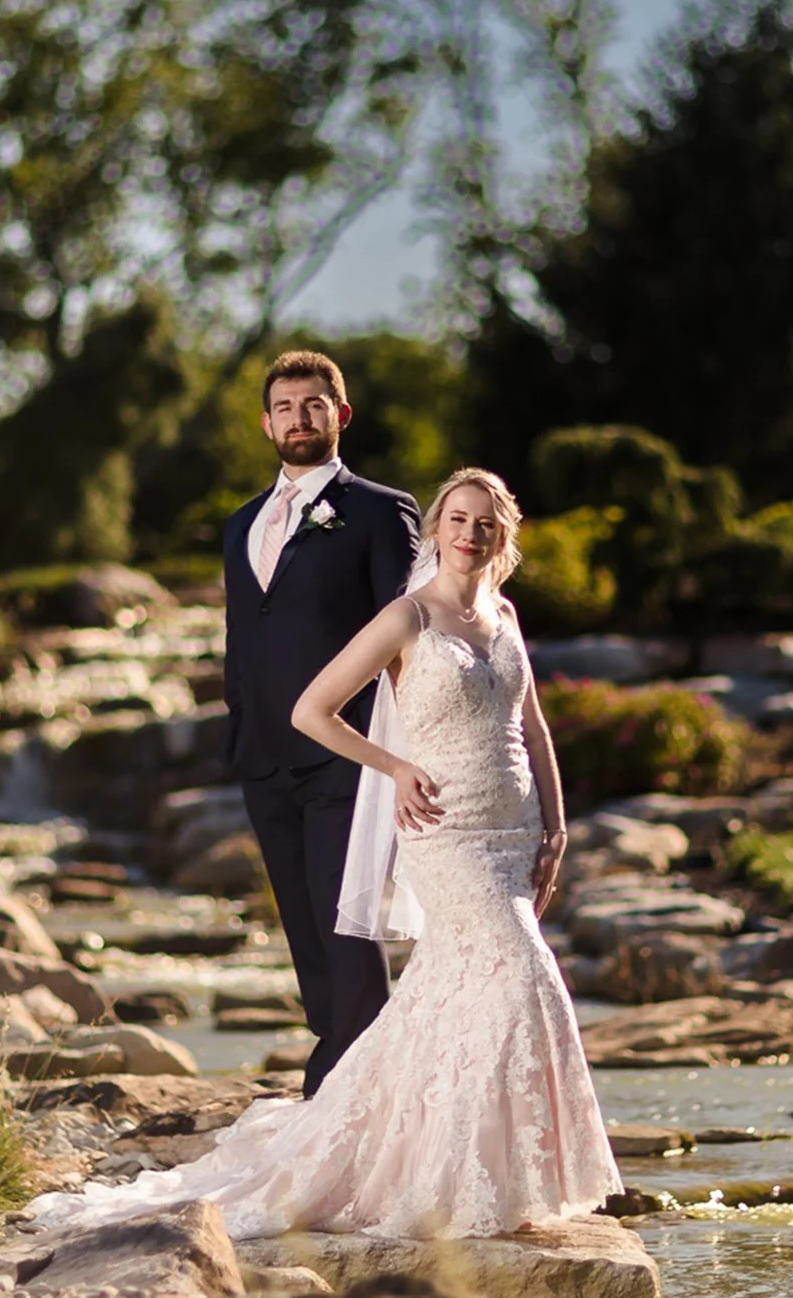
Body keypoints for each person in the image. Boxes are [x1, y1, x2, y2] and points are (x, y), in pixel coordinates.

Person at [31, 468, 621, 1241]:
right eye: (458, 519)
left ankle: (473, 1173)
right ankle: (444, 1174)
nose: (470, 533)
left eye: (486, 523)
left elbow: (532, 726)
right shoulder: (407, 618)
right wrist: (397, 768)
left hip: (515, 829)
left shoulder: (503, 614)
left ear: (502, 536)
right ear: (438, 528)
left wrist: (558, 823)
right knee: (523, 975)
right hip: (445, 831)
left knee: (453, 993)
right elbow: (313, 710)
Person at [221, 350, 420, 1097]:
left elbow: (404, 633)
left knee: (349, 922)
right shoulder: (240, 523)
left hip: (348, 752)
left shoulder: (378, 508)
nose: (298, 419)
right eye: (284, 408)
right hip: (264, 756)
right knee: (304, 926)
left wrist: (401, 750)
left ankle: (358, 1085)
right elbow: (244, 634)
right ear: (266, 422)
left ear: (341, 414)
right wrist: (239, 728)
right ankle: (333, 1063)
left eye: (313, 405)